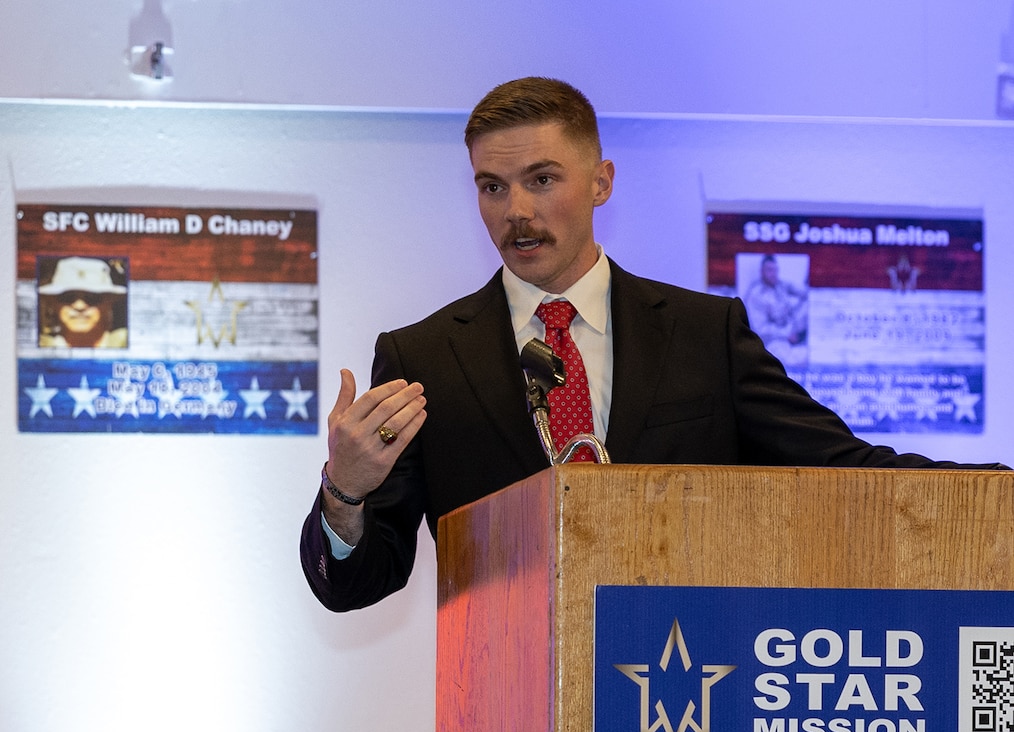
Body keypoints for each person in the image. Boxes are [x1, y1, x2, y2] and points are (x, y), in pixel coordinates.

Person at [299, 77, 1009, 612]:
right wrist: (344, 490)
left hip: (690, 682)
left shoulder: (706, 335)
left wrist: (998, 493)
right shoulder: (424, 359)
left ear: (601, 182)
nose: (516, 211)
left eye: (542, 179)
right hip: (504, 688)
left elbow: (842, 468)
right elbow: (356, 584)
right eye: (492, 186)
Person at [38, 256, 128, 348]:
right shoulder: (41, 346)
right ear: (54, 304)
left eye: (92, 297)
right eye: (68, 297)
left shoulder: (125, 343)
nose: (79, 306)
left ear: (108, 303)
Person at [742, 254, 809, 366]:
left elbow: (803, 292)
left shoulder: (780, 285)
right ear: (762, 272)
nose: (773, 274)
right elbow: (760, 329)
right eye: (770, 270)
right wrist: (787, 334)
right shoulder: (755, 295)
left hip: (791, 327)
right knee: (793, 361)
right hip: (773, 340)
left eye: (775, 270)